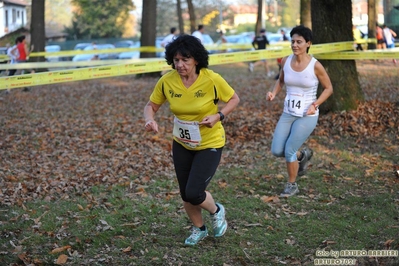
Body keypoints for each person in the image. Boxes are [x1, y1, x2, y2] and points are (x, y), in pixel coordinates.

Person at [143, 34, 240, 245]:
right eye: (176, 60)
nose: (180, 65)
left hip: (209, 143)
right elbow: (151, 105)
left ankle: (216, 210)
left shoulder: (211, 79)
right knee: (185, 194)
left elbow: (234, 99)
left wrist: (218, 116)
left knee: (194, 192)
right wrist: (149, 119)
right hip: (182, 143)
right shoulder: (167, 81)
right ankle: (199, 229)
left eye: (185, 60)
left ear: (196, 59)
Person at [266, 25, 333, 197]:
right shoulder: (285, 61)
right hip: (288, 113)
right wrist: (273, 92)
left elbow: (328, 88)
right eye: (293, 41)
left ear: (308, 43)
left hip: (306, 115)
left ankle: (292, 185)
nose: (295, 45)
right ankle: (302, 155)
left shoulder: (315, 65)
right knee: (276, 150)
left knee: (288, 149)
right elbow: (281, 81)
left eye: (299, 42)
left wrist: (315, 104)